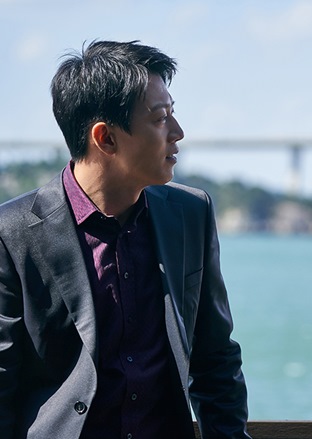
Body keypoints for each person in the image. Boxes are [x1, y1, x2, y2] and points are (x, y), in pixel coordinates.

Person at [0, 40, 251, 439]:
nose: (178, 132)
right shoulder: (11, 233)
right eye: (160, 118)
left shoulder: (190, 213)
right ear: (106, 138)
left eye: (173, 114)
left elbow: (215, 358)